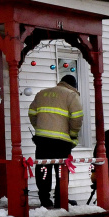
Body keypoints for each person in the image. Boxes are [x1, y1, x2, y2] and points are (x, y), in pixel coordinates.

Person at [28, 74, 83, 208]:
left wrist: (40, 128)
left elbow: (32, 113)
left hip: (42, 141)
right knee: (61, 171)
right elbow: (77, 119)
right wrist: (73, 135)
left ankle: (44, 200)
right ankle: (60, 199)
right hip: (61, 142)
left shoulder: (42, 94)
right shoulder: (71, 95)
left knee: (43, 169)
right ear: (73, 86)